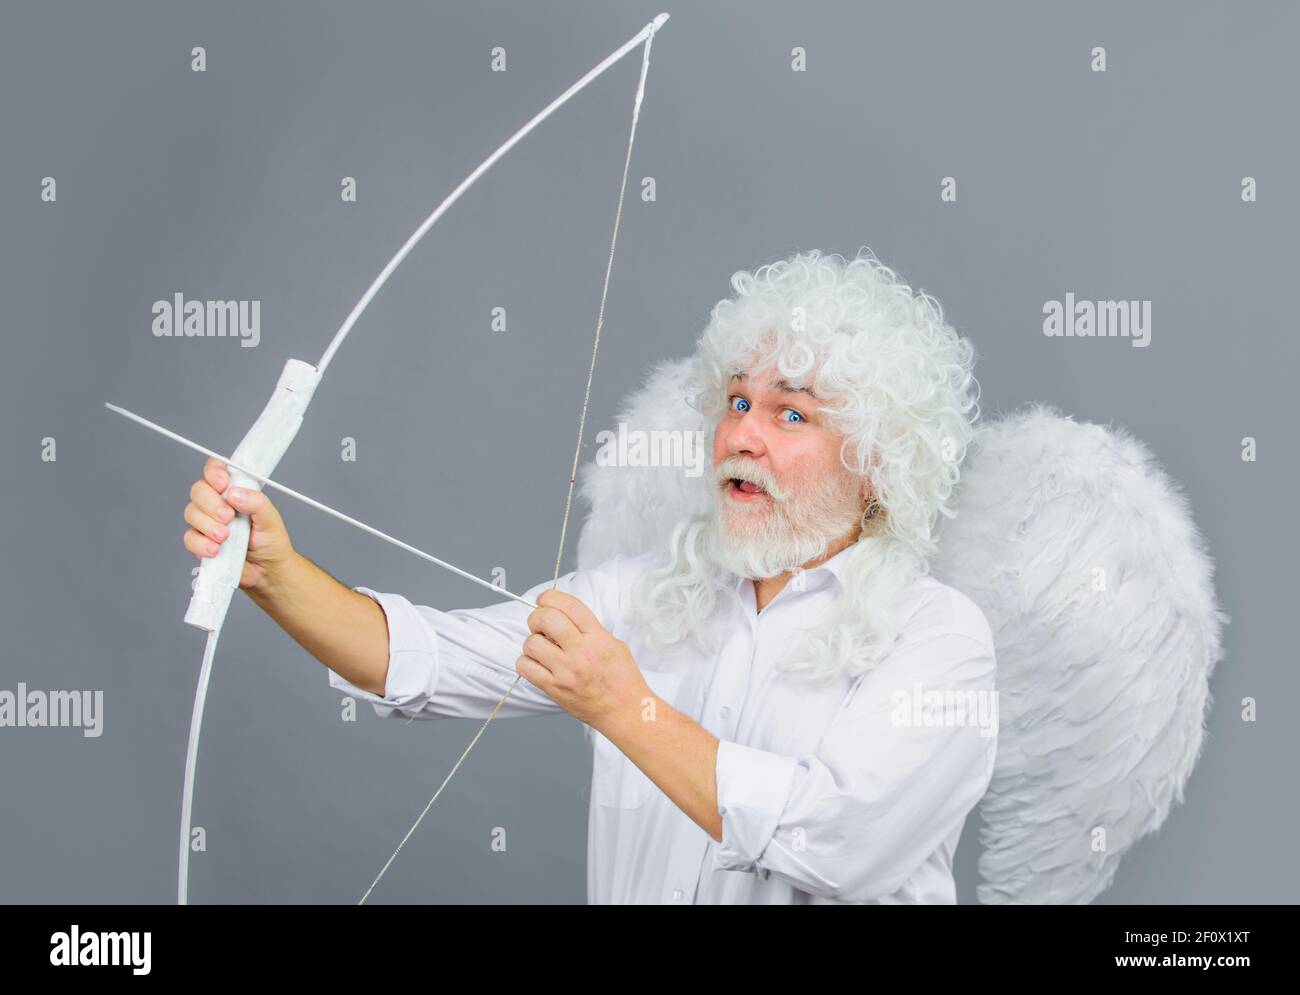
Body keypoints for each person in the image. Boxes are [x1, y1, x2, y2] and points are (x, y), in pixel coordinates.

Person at [180, 248, 998, 904]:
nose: (743, 435)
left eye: (791, 413)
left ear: (875, 463)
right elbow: (422, 658)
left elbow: (840, 842)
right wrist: (276, 573)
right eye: (737, 402)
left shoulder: (938, 639)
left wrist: (623, 703)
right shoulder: (638, 596)